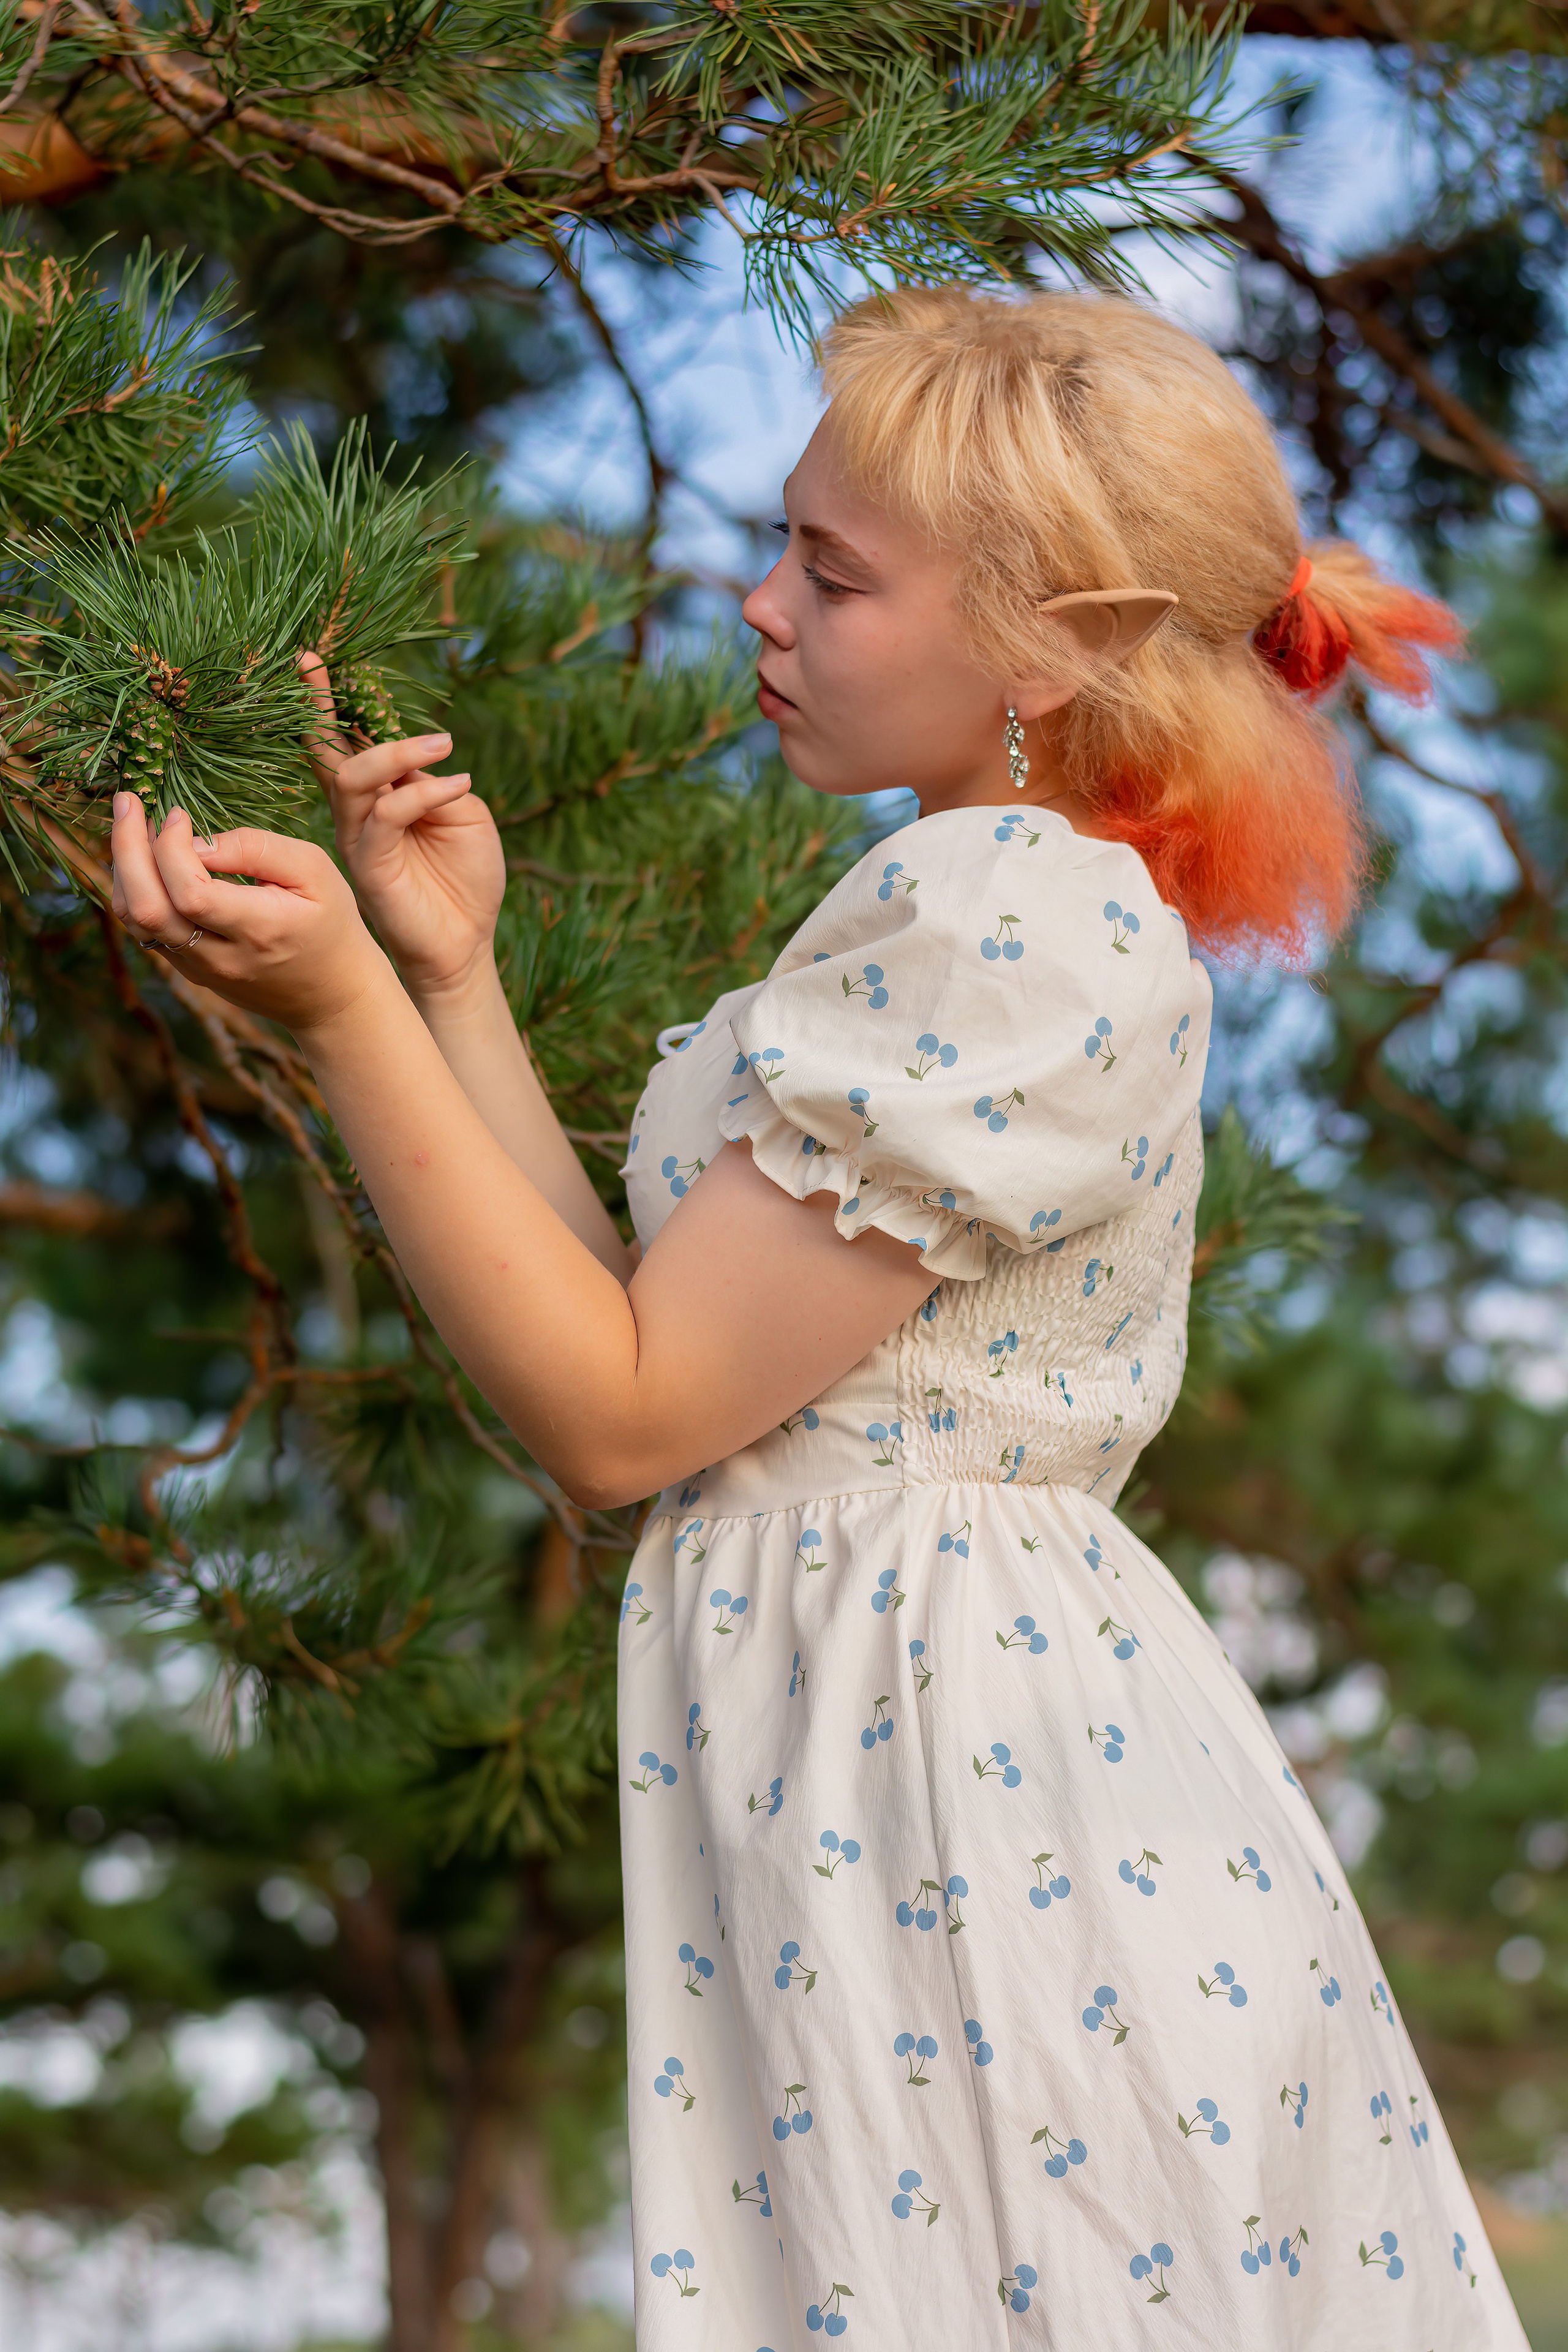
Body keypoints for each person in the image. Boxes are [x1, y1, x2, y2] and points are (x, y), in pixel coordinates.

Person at [110, 285, 1526, 2349]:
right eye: (781, 541)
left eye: (833, 572)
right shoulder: (944, 907)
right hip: (880, 1750)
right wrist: (447, 981)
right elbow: (631, 1345)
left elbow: (618, 1417)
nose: (760, 603)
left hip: (966, 1785)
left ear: (1061, 638)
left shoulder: (1017, 913)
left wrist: (338, 1011)